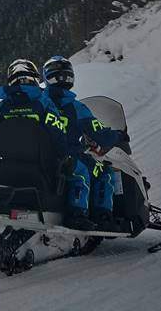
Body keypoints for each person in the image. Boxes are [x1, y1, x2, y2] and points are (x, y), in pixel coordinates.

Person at [41, 55, 129, 232]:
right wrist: (118, 136)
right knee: (104, 171)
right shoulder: (75, 107)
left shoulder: (40, 103)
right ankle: (96, 216)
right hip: (68, 156)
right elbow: (99, 133)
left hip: (41, 156)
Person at [0, 58, 60, 165]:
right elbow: (58, 134)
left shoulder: (2, 107)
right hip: (43, 170)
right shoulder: (44, 103)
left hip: (8, 169)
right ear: (34, 78)